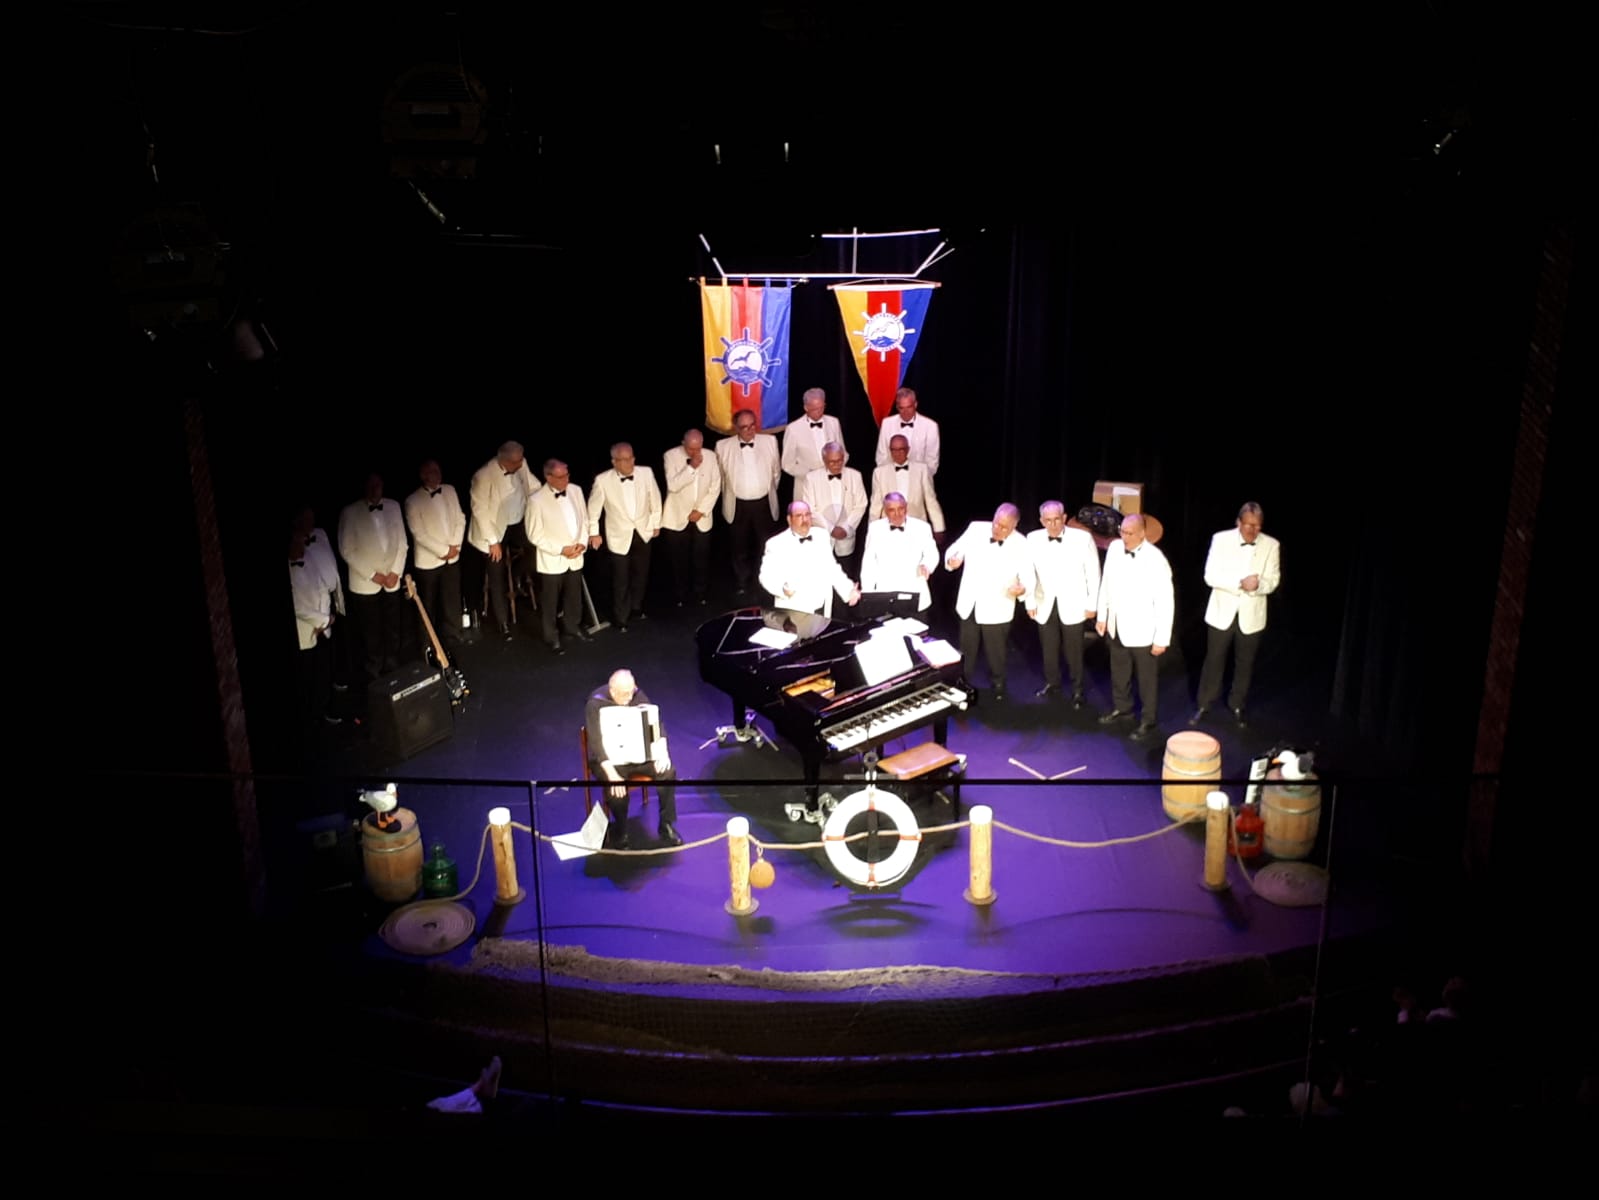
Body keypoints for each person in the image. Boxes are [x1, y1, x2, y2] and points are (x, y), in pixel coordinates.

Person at [1191, 501, 1281, 728]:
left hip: (1252, 615)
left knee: (1245, 663)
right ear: (1238, 522)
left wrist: (1258, 585)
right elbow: (1210, 576)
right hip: (1222, 611)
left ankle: (1237, 704)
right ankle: (1204, 704)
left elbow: (1273, 580)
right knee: (1214, 660)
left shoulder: (1272, 545)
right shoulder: (1220, 540)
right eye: (1249, 525)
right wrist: (1240, 584)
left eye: (1257, 526)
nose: (1253, 530)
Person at [945, 504, 1036, 702]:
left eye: (1004, 527)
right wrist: (952, 560)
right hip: (971, 603)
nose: (997, 529)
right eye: (996, 523)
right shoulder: (976, 529)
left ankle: (998, 683)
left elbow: (1029, 577)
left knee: (996, 651)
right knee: (966, 649)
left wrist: (1022, 589)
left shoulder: (1022, 544)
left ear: (1014, 526)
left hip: (998, 606)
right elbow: (955, 549)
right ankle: (962, 683)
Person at [1096, 514, 1174, 740]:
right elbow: (1106, 583)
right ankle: (1123, 708)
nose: (1125, 537)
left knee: (1146, 679)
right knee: (1119, 671)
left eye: (1130, 533)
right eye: (1122, 531)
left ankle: (1148, 720)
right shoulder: (1114, 548)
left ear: (1142, 534)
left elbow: (1165, 600)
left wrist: (1162, 638)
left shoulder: (1156, 559)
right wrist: (1102, 616)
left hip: (1143, 630)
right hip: (1116, 625)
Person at [584, 668, 681, 848]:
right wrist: (612, 775)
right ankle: (621, 830)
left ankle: (666, 824)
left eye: (631, 692)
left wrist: (662, 753)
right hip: (610, 761)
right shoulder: (595, 704)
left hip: (639, 755)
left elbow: (656, 725)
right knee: (616, 790)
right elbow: (596, 743)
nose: (629, 698)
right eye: (624, 694)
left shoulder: (637, 695)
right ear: (613, 691)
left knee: (668, 772)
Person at [337, 473, 409, 685]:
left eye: (377, 485)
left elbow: (402, 543)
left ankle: (392, 664)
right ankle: (374, 671)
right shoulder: (350, 512)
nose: (374, 489)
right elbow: (347, 550)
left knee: (393, 626)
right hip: (365, 583)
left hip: (392, 579)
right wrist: (374, 575)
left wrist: (395, 572)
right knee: (371, 631)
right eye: (370, 485)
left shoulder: (394, 506)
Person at [1028, 500, 1101, 706]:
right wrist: (1030, 602)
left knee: (1073, 651)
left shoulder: (1082, 539)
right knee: (1048, 649)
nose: (1053, 524)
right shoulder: (1033, 538)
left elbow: (1093, 573)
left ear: (1065, 518)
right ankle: (1053, 683)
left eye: (1057, 519)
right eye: (1048, 520)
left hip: (1074, 603)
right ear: (1041, 520)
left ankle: (1078, 690)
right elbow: (1028, 573)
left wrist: (1092, 605)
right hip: (1045, 603)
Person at [587, 442, 662, 632]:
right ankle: (621, 617)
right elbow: (593, 509)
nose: (630, 462)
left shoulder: (646, 473)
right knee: (621, 578)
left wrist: (655, 524)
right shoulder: (603, 480)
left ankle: (636, 608)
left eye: (631, 458)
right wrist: (594, 532)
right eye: (625, 460)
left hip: (642, 531)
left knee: (641, 573)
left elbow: (655, 499)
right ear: (614, 462)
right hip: (619, 535)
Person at [468, 441, 539, 641]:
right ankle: (503, 622)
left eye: (521, 460)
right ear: (504, 460)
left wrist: (545, 498)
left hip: (516, 522)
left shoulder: (521, 463)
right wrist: (492, 541)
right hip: (493, 528)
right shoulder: (483, 476)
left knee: (539, 547)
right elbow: (480, 511)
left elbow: (533, 486)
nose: (521, 463)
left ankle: (516, 576)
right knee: (496, 571)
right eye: (516, 462)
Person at [524, 458, 591, 654]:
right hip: (552, 560)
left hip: (576, 555)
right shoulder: (536, 500)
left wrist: (582, 543)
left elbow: (584, 520)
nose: (565, 480)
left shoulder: (576, 490)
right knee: (550, 601)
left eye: (567, 475)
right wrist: (561, 549)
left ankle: (573, 627)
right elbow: (534, 535)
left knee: (574, 597)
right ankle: (551, 637)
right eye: (560, 477)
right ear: (548, 477)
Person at [402, 460, 466, 662]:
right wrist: (444, 551)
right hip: (429, 561)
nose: (437, 475)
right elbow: (419, 533)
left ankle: (453, 637)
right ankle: (428, 645)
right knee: (428, 605)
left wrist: (454, 546)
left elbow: (460, 519)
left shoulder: (450, 490)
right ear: (423, 476)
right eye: (432, 472)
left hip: (452, 557)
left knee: (451, 600)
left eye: (438, 470)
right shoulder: (413, 501)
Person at [714, 409, 781, 597]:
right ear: (736, 428)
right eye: (745, 427)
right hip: (738, 504)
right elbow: (721, 477)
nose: (750, 430)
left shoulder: (770, 441)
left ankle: (765, 582)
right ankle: (742, 582)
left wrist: (764, 489)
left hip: (764, 503)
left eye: (753, 425)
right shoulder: (722, 446)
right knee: (739, 546)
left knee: (766, 545)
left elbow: (776, 473)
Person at [758, 501, 862, 616]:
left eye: (807, 515)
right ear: (789, 519)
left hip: (823, 607)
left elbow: (831, 568)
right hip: (794, 609)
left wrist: (848, 591)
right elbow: (765, 577)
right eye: (799, 516)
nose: (804, 519)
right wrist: (782, 589)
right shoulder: (776, 544)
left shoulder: (821, 535)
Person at [660, 428, 721, 607]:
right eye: (691, 449)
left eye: (698, 448)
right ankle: (681, 595)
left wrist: (701, 510)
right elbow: (673, 486)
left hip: (702, 517)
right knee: (679, 559)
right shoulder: (670, 456)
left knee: (701, 558)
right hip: (677, 516)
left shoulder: (710, 456)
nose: (695, 453)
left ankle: (701, 593)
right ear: (683, 444)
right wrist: (691, 467)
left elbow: (716, 486)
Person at [289, 526, 341, 727]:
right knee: (306, 679)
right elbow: (297, 607)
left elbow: (321, 588)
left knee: (322, 673)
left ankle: (324, 711)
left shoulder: (308, 558)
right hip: (305, 631)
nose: (302, 548)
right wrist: (321, 620)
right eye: (298, 544)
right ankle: (310, 720)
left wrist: (325, 619)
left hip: (321, 627)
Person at [859, 492, 939, 611]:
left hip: (916, 594)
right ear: (885, 511)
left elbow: (932, 553)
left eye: (900, 509)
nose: (897, 514)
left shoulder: (922, 527)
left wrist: (926, 566)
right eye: (892, 510)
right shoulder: (875, 528)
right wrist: (868, 595)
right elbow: (869, 563)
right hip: (885, 595)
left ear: (906, 507)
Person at [797, 441, 868, 570]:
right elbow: (810, 508)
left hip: (846, 539)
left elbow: (861, 504)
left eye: (840, 461)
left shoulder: (855, 476)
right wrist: (831, 529)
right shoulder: (811, 478)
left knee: (846, 574)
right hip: (822, 540)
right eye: (832, 462)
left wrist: (846, 528)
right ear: (824, 460)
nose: (837, 465)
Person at [869, 433, 945, 539]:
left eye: (901, 449)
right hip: (889, 528)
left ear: (908, 449)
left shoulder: (922, 470)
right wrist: (872, 530)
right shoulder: (879, 473)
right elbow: (876, 505)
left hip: (917, 526)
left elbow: (931, 500)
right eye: (894, 450)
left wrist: (939, 528)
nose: (897, 453)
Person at [781, 386, 844, 482]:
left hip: (833, 481)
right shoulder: (793, 429)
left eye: (821, 407)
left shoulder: (834, 422)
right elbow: (787, 464)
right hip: (806, 482)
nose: (819, 412)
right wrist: (810, 473)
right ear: (806, 407)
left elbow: (843, 452)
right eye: (815, 409)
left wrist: (837, 468)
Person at [873, 387, 941, 475]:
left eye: (909, 407)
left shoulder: (930, 426)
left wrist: (919, 478)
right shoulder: (887, 424)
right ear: (897, 407)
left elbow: (932, 461)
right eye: (902, 408)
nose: (906, 412)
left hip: (920, 478)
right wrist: (890, 477)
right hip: (891, 477)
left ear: (915, 405)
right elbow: (882, 456)